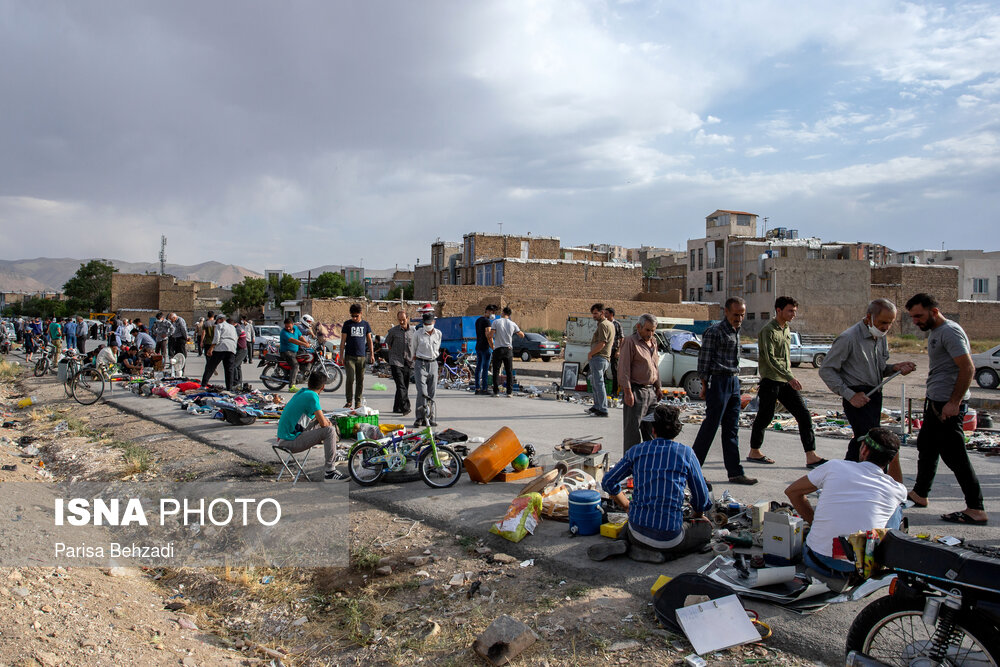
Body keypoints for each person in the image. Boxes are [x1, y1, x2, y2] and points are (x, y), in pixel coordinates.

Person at [589, 404, 713, 563]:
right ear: (677, 429)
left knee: (633, 518)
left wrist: (626, 504)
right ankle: (665, 555)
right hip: (670, 538)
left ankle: (624, 542)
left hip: (637, 534)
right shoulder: (686, 453)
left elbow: (608, 481)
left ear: (653, 430)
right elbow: (701, 498)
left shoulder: (637, 451)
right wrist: (698, 516)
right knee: (706, 530)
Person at [905, 293, 987, 525]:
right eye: (912, 317)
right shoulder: (936, 332)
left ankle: (976, 508)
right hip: (936, 402)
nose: (915, 321)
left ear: (934, 311)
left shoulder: (950, 331)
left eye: (918, 316)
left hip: (947, 405)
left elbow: (968, 368)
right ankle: (920, 494)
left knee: (956, 456)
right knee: (927, 447)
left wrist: (954, 402)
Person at [785, 427, 907, 577]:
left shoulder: (835, 466)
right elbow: (898, 486)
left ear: (864, 450)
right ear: (891, 459)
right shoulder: (896, 489)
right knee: (896, 508)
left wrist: (814, 522)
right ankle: (881, 558)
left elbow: (793, 491)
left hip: (818, 560)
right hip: (861, 569)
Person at [819, 298, 917, 478]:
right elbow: (826, 370)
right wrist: (850, 395)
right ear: (868, 318)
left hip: (874, 395)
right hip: (857, 397)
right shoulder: (848, 338)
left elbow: (879, 369)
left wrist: (895, 368)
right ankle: (874, 480)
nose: (886, 327)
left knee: (862, 441)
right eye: (882, 322)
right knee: (872, 442)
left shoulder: (880, 337)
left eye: (890, 323)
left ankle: (844, 479)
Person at [748, 296, 825, 468]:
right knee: (765, 417)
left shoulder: (787, 329)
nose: (793, 314)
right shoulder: (768, 331)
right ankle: (754, 451)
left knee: (804, 415)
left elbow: (785, 359)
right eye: (790, 311)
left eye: (795, 311)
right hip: (770, 381)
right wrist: (790, 377)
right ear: (779, 310)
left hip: (785, 380)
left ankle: (811, 455)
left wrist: (789, 377)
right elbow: (770, 359)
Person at [692, 297, 756, 485]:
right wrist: (704, 386)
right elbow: (704, 361)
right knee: (710, 428)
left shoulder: (736, 331)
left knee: (731, 430)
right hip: (718, 382)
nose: (739, 318)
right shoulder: (715, 332)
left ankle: (735, 472)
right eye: (735, 314)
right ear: (726, 312)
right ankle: (692, 470)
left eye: (742, 315)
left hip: (733, 382)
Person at [276, 371, 345, 481]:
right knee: (330, 430)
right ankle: (330, 472)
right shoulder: (312, 396)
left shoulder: (302, 392)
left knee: (321, 421)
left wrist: (325, 421)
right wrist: (327, 423)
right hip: (289, 441)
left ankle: (333, 454)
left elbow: (318, 418)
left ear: (308, 383)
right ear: (323, 387)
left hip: (284, 437)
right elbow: (323, 423)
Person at [618, 313, 661, 452]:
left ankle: (649, 463)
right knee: (633, 433)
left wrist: (658, 387)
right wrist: (627, 392)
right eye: (648, 330)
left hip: (651, 393)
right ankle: (630, 465)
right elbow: (624, 368)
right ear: (639, 327)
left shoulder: (653, 342)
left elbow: (655, 366)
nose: (650, 333)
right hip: (636, 392)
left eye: (653, 330)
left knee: (651, 430)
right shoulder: (630, 342)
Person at [408, 312, 442, 427]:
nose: (428, 325)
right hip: (421, 363)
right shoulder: (418, 334)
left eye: (430, 322)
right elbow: (414, 348)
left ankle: (430, 417)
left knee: (432, 392)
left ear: (434, 322)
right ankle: (420, 417)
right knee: (422, 392)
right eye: (426, 323)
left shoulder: (438, 334)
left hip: (433, 363)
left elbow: (437, 348)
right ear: (423, 323)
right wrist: (414, 360)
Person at [340, 304, 374, 409]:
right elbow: (343, 341)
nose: (354, 318)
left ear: (361, 314)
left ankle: (358, 401)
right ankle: (349, 401)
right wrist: (341, 356)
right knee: (350, 378)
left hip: (361, 357)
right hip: (350, 357)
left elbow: (369, 340)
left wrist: (372, 354)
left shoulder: (365, 325)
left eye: (356, 316)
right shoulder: (347, 324)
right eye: (352, 316)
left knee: (360, 380)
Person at [383, 310, 414, 416]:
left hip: (408, 361)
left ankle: (397, 407)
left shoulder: (413, 331)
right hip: (395, 361)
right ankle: (405, 408)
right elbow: (388, 344)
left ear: (407, 319)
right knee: (401, 385)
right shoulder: (393, 331)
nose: (401, 322)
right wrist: (392, 355)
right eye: (399, 320)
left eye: (403, 320)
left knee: (404, 385)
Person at [586, 303, 614, 417]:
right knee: (595, 382)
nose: (594, 316)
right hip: (601, 358)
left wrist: (590, 353)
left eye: (596, 313)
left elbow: (602, 343)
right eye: (593, 313)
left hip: (599, 357)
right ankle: (597, 406)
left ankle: (602, 408)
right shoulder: (608, 324)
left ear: (602, 312)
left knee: (599, 383)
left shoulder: (603, 325)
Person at [490, 306, 524, 397]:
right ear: (509, 315)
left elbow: (491, 335)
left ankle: (496, 391)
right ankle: (509, 392)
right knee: (509, 371)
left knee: (496, 371)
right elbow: (521, 335)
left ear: (503, 313)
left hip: (498, 349)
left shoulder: (496, 322)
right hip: (508, 349)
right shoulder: (513, 324)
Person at [202, 314, 237, 390]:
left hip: (221, 347)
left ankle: (203, 384)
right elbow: (235, 338)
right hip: (231, 348)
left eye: (217, 321)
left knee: (211, 366)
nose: (217, 323)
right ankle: (229, 388)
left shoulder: (219, 326)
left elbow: (216, 338)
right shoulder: (232, 327)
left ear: (220, 319)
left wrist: (211, 348)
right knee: (229, 369)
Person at [279, 317, 310, 393]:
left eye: (289, 326)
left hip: (295, 351)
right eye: (286, 326)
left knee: (306, 357)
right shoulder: (283, 332)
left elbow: (300, 336)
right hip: (286, 352)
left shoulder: (296, 328)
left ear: (293, 324)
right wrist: (304, 344)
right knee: (295, 365)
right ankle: (291, 386)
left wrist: (306, 343)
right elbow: (293, 340)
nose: (288, 328)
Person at [474, 304, 497, 395]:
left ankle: (477, 388)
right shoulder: (487, 321)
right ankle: (484, 388)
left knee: (478, 368)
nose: (493, 314)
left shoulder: (478, 320)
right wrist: (493, 347)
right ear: (487, 311)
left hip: (478, 346)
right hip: (485, 347)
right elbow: (488, 336)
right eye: (492, 312)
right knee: (485, 368)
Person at [605, 306, 624, 398]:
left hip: (614, 350)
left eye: (607, 313)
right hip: (605, 350)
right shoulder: (604, 324)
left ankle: (614, 391)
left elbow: (621, 338)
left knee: (614, 370)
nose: (605, 315)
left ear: (611, 314)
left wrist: (618, 350)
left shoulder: (617, 324)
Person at [232, 317, 248, 386]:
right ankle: (239, 382)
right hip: (242, 349)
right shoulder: (238, 327)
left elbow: (235, 340)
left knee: (234, 365)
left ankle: (235, 382)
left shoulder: (237, 329)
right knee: (238, 366)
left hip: (241, 350)